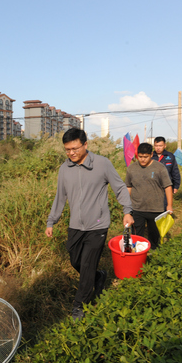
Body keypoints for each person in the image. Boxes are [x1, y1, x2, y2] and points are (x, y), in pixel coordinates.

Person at [45, 128, 134, 321]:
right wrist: (52, 220)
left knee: (85, 265)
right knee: (75, 261)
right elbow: (60, 197)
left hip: (98, 224)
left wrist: (127, 211)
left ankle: (79, 306)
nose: (71, 153)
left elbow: (119, 188)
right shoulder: (64, 169)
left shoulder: (102, 164)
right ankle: (98, 276)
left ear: (85, 145)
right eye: (67, 150)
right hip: (75, 225)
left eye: (75, 148)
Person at [125, 143, 173, 250]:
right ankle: (138, 256)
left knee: (154, 236)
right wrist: (127, 207)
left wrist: (169, 205)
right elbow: (128, 187)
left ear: (151, 154)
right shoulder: (131, 168)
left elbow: (168, 186)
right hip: (137, 208)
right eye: (140, 157)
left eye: (145, 157)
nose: (142, 159)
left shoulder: (159, 168)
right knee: (136, 236)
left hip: (156, 209)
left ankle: (153, 256)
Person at [153, 136, 181, 201]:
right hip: (153, 186)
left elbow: (175, 172)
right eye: (156, 146)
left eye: (160, 146)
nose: (158, 148)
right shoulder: (150, 156)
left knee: (165, 205)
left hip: (166, 186)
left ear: (165, 146)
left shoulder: (170, 156)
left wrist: (176, 186)